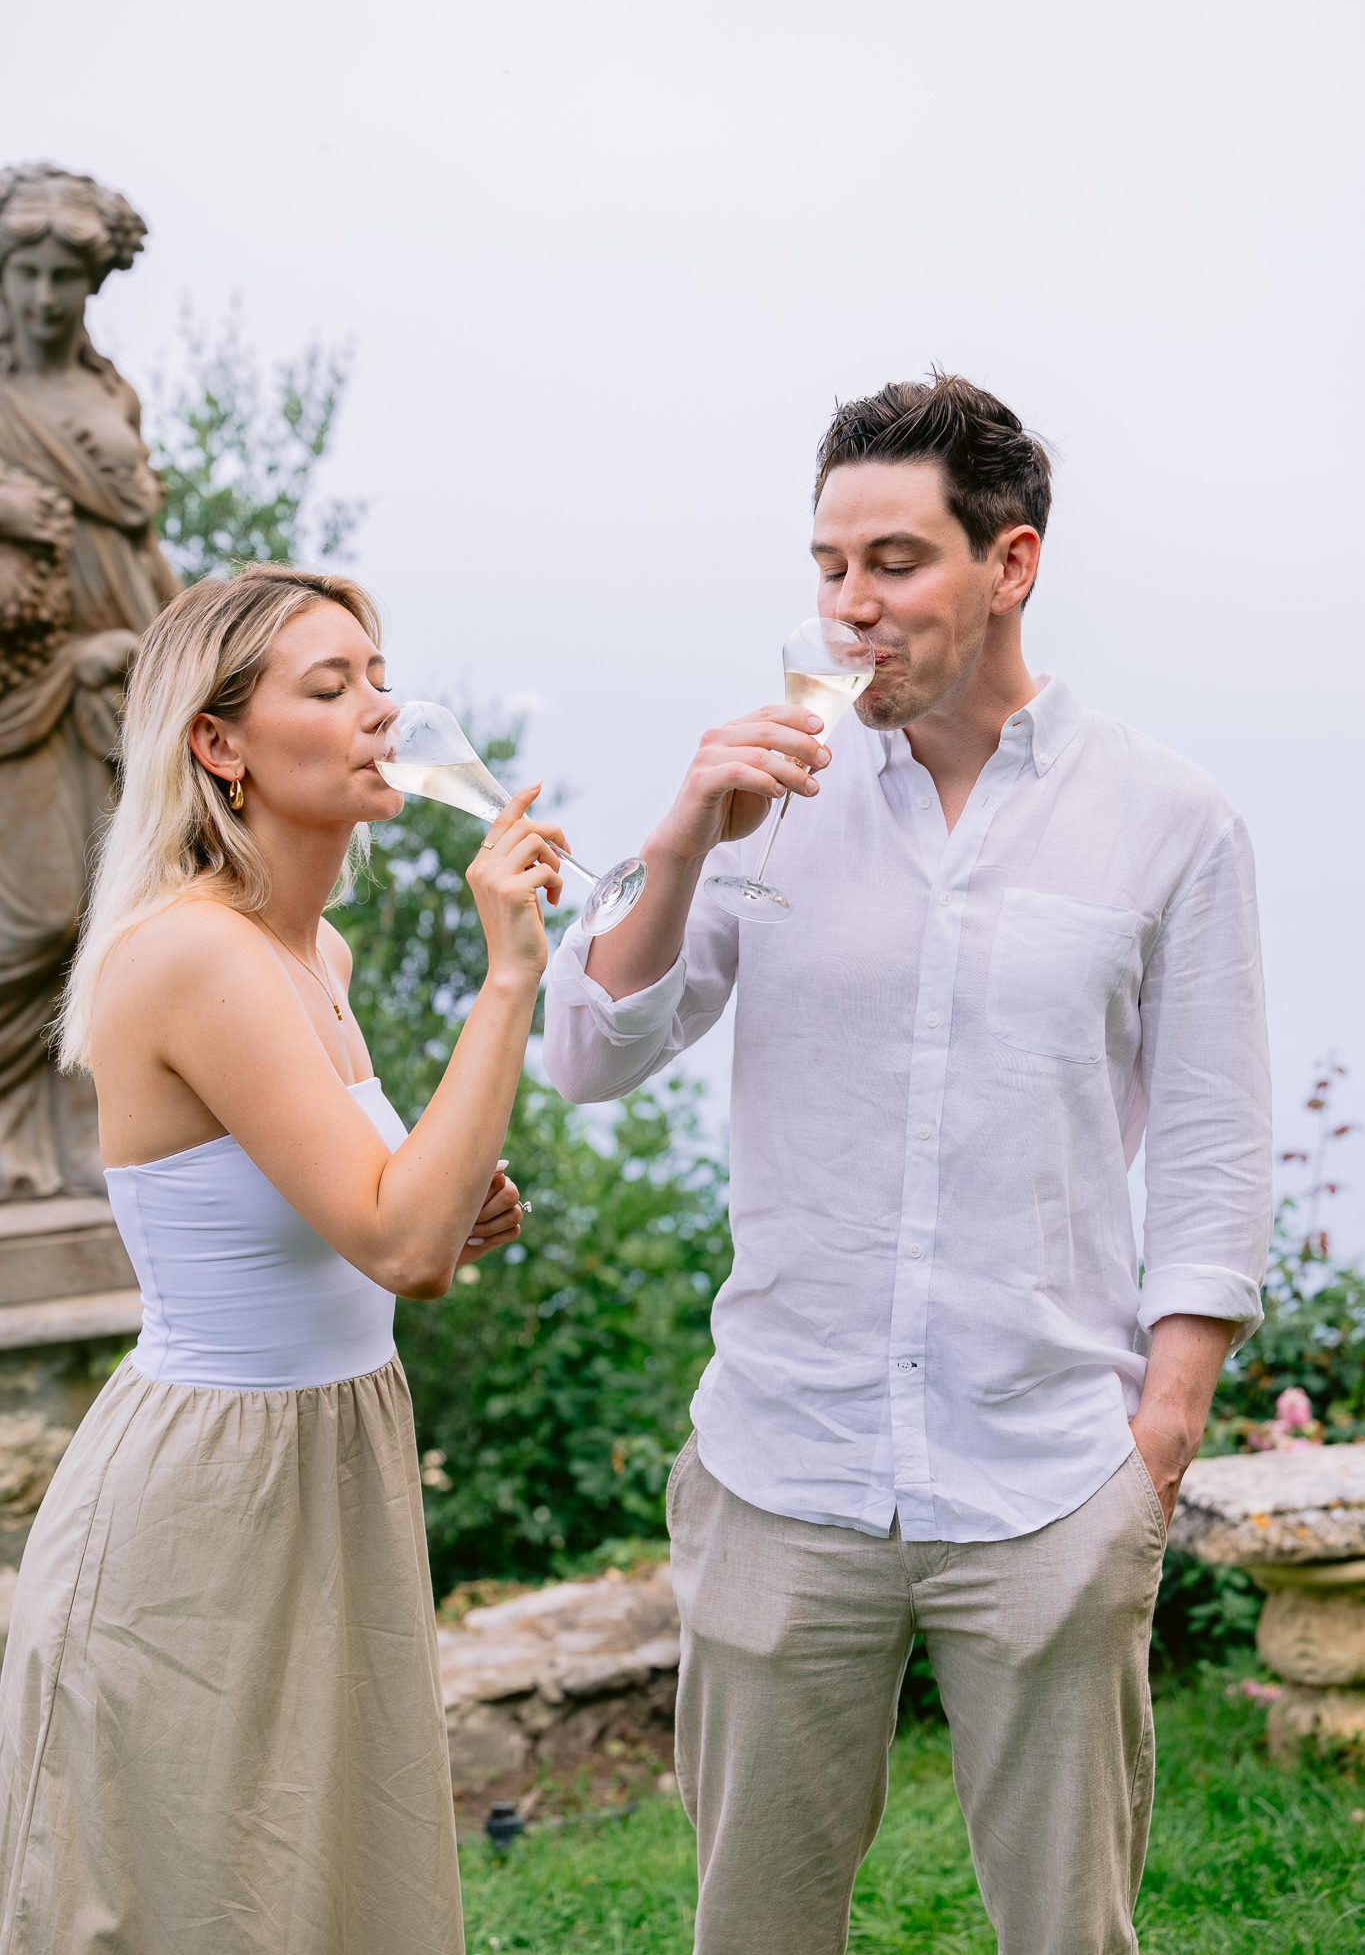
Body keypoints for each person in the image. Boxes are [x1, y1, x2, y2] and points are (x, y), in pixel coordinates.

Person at [543, 373, 1272, 1955]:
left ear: (1009, 565)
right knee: (753, 1929)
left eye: (893, 562)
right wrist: (682, 837)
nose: (850, 605)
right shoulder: (762, 804)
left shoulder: (1168, 819)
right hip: (780, 1468)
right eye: (828, 566)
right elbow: (590, 1053)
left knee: (1069, 1933)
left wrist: (1159, 1431)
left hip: (1048, 1478)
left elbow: (1215, 1143)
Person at [0, 563, 566, 1955]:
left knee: (325, 1896)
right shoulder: (195, 956)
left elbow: (381, 1220)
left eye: (380, 677)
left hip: (330, 1458)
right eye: (331, 686)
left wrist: (451, 1196)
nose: (383, 712)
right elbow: (400, 1246)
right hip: (207, 1504)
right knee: (198, 1909)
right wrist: (508, 976)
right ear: (220, 743)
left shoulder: (321, 958)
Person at [0, 163, 180, 1199]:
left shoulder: (110, 392)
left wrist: (186, 646)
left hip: (124, 683)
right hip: (24, 691)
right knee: (35, 916)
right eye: (26, 272)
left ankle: (76, 1142)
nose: (42, 296)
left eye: (63, 276)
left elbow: (139, 544)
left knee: (113, 916)